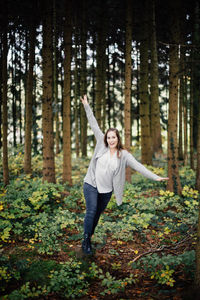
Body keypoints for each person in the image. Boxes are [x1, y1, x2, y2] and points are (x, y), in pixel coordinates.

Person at [80, 94, 169, 255]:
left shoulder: (124, 155)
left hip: (106, 191)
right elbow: (93, 123)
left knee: (97, 215)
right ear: (106, 138)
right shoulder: (101, 143)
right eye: (109, 137)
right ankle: (85, 241)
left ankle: (90, 234)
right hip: (91, 184)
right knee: (91, 210)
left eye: (113, 137)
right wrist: (87, 106)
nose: (111, 140)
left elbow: (139, 166)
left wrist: (155, 177)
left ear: (118, 138)